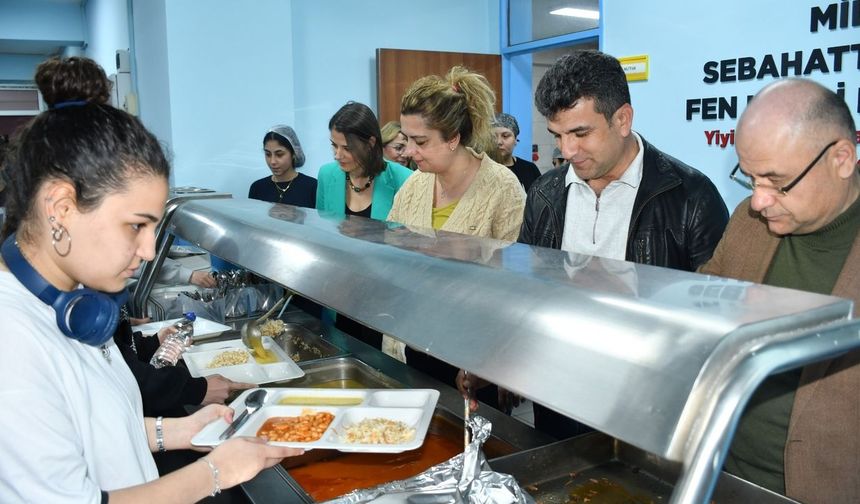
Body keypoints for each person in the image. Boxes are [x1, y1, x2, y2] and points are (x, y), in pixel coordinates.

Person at [0, 56, 302, 502]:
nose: (146, 251)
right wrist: (213, 472)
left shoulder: (77, 306)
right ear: (61, 208)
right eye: (135, 226)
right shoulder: (12, 340)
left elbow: (87, 427)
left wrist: (178, 431)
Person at [460, 50, 730, 438]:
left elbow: (716, 321)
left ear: (622, 119)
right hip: (556, 396)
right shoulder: (546, 193)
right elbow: (524, 290)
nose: (566, 152)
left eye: (580, 133)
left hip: (650, 407)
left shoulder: (691, 198)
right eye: (558, 135)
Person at [699, 78, 859, 503]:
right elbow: (702, 305)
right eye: (750, 178)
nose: (758, 201)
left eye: (776, 181)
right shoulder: (747, 224)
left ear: (841, 159)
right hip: (718, 478)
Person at [387, 66, 525, 401]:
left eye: (421, 142)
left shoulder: (502, 188)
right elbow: (390, 256)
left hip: (474, 355)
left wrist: (490, 361)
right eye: (406, 141)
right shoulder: (413, 187)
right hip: (417, 341)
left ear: (453, 138)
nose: (409, 152)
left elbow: (515, 286)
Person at [316, 101, 412, 220]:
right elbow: (323, 230)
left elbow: (410, 236)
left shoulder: (405, 179)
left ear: (370, 143)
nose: (338, 155)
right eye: (334, 145)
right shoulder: (326, 174)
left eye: (347, 148)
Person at [249, 125, 317, 208]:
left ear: (294, 153)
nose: (272, 161)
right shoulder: (257, 188)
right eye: (268, 154)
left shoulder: (312, 187)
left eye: (279, 154)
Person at [492, 112, 541, 191]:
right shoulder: (480, 169)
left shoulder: (529, 169)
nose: (499, 142)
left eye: (505, 136)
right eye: (493, 136)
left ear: (515, 139)